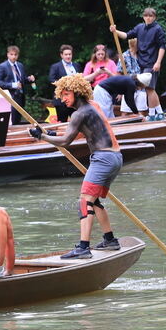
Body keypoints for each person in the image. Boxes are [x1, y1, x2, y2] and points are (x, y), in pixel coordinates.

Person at [30, 74, 123, 257]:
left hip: (103, 158)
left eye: (66, 94)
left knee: (84, 201)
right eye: (61, 95)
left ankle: (83, 248)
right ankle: (110, 240)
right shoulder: (92, 106)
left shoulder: (79, 114)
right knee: (94, 200)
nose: (63, 99)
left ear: (77, 91)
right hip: (116, 157)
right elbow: (81, 133)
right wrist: (51, 133)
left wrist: (41, 136)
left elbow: (65, 141)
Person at [110, 7, 166, 121]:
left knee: (149, 89)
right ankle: (159, 113)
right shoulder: (139, 27)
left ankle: (152, 114)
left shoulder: (158, 29)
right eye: (146, 16)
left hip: (151, 63)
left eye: (151, 16)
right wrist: (115, 31)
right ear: (143, 17)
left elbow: (162, 46)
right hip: (142, 63)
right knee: (150, 89)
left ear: (154, 17)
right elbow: (127, 35)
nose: (148, 18)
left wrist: (158, 62)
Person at [0, 45, 34, 124]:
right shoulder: (2, 66)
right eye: (11, 54)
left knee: (18, 119)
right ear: (7, 54)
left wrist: (29, 79)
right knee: (12, 120)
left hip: (20, 96)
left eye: (15, 55)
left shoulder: (20, 65)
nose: (13, 57)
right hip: (10, 96)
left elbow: (22, 79)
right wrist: (13, 85)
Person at [49, 45, 82, 121]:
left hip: (75, 100)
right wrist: (64, 84)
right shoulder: (55, 66)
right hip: (61, 100)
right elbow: (51, 80)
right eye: (66, 54)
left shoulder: (76, 65)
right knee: (62, 122)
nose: (68, 56)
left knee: (78, 121)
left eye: (69, 54)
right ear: (61, 55)